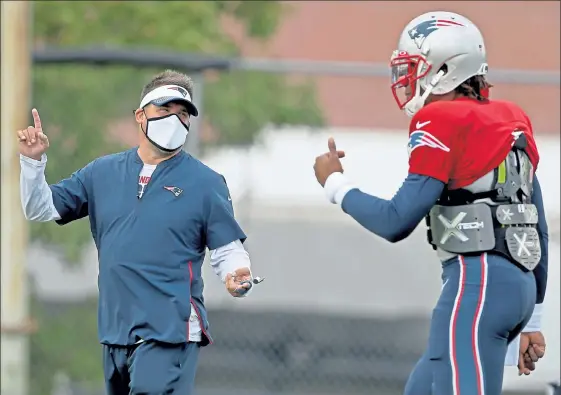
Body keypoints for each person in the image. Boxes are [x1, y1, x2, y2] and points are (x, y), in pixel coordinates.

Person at [313, 11, 549, 395]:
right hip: (517, 285)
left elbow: (396, 220)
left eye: (415, 67)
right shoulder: (511, 118)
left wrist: (336, 185)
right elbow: (536, 226)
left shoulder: (440, 119)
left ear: (444, 69)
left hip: (478, 282)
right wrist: (532, 315)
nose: (408, 78)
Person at [18, 70, 261, 395]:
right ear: (140, 115)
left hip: (170, 330)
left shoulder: (206, 182)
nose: (175, 119)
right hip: (116, 329)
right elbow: (41, 207)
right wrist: (33, 164)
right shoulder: (101, 172)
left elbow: (227, 249)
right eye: (165, 110)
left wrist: (237, 274)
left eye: (183, 113)